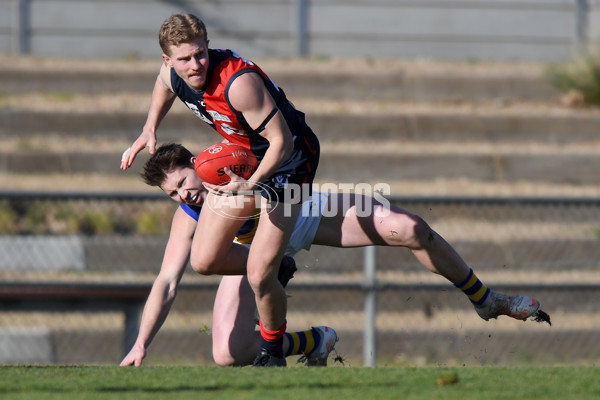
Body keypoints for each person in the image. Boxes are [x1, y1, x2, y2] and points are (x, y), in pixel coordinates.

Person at [120, 143, 545, 368]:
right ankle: (316, 339)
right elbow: (167, 282)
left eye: (183, 181)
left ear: (198, 163)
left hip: (304, 214)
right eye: (172, 193)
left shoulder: (234, 160)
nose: (183, 194)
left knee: (412, 229)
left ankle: (486, 300)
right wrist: (141, 344)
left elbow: (276, 144)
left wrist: (254, 178)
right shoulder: (191, 216)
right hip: (254, 259)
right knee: (228, 355)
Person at [120, 13, 321, 366]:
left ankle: (272, 352)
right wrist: (150, 127)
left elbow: (283, 143)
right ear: (169, 60)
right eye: (184, 59)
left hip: (290, 162)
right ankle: (287, 290)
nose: (196, 64)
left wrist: (254, 183)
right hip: (253, 164)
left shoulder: (238, 83)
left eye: (200, 53)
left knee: (261, 271)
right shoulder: (172, 74)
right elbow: (163, 82)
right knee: (210, 279)